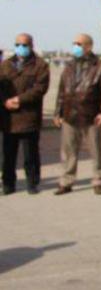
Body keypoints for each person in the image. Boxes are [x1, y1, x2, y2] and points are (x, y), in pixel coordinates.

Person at [54, 33, 101, 195]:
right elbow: (61, 92)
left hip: (91, 115)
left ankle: (98, 180)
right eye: (74, 43)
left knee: (96, 150)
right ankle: (66, 181)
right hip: (69, 115)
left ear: (89, 46)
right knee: (68, 151)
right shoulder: (69, 66)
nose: (75, 47)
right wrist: (58, 112)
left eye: (79, 44)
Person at [0, 33, 50, 195]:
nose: (20, 48)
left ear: (31, 45)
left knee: (30, 154)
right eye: (18, 44)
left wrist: (19, 99)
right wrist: (5, 101)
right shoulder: (6, 65)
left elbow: (40, 88)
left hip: (29, 116)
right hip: (9, 118)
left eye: (24, 45)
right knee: (8, 155)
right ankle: (8, 184)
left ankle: (32, 183)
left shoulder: (40, 65)